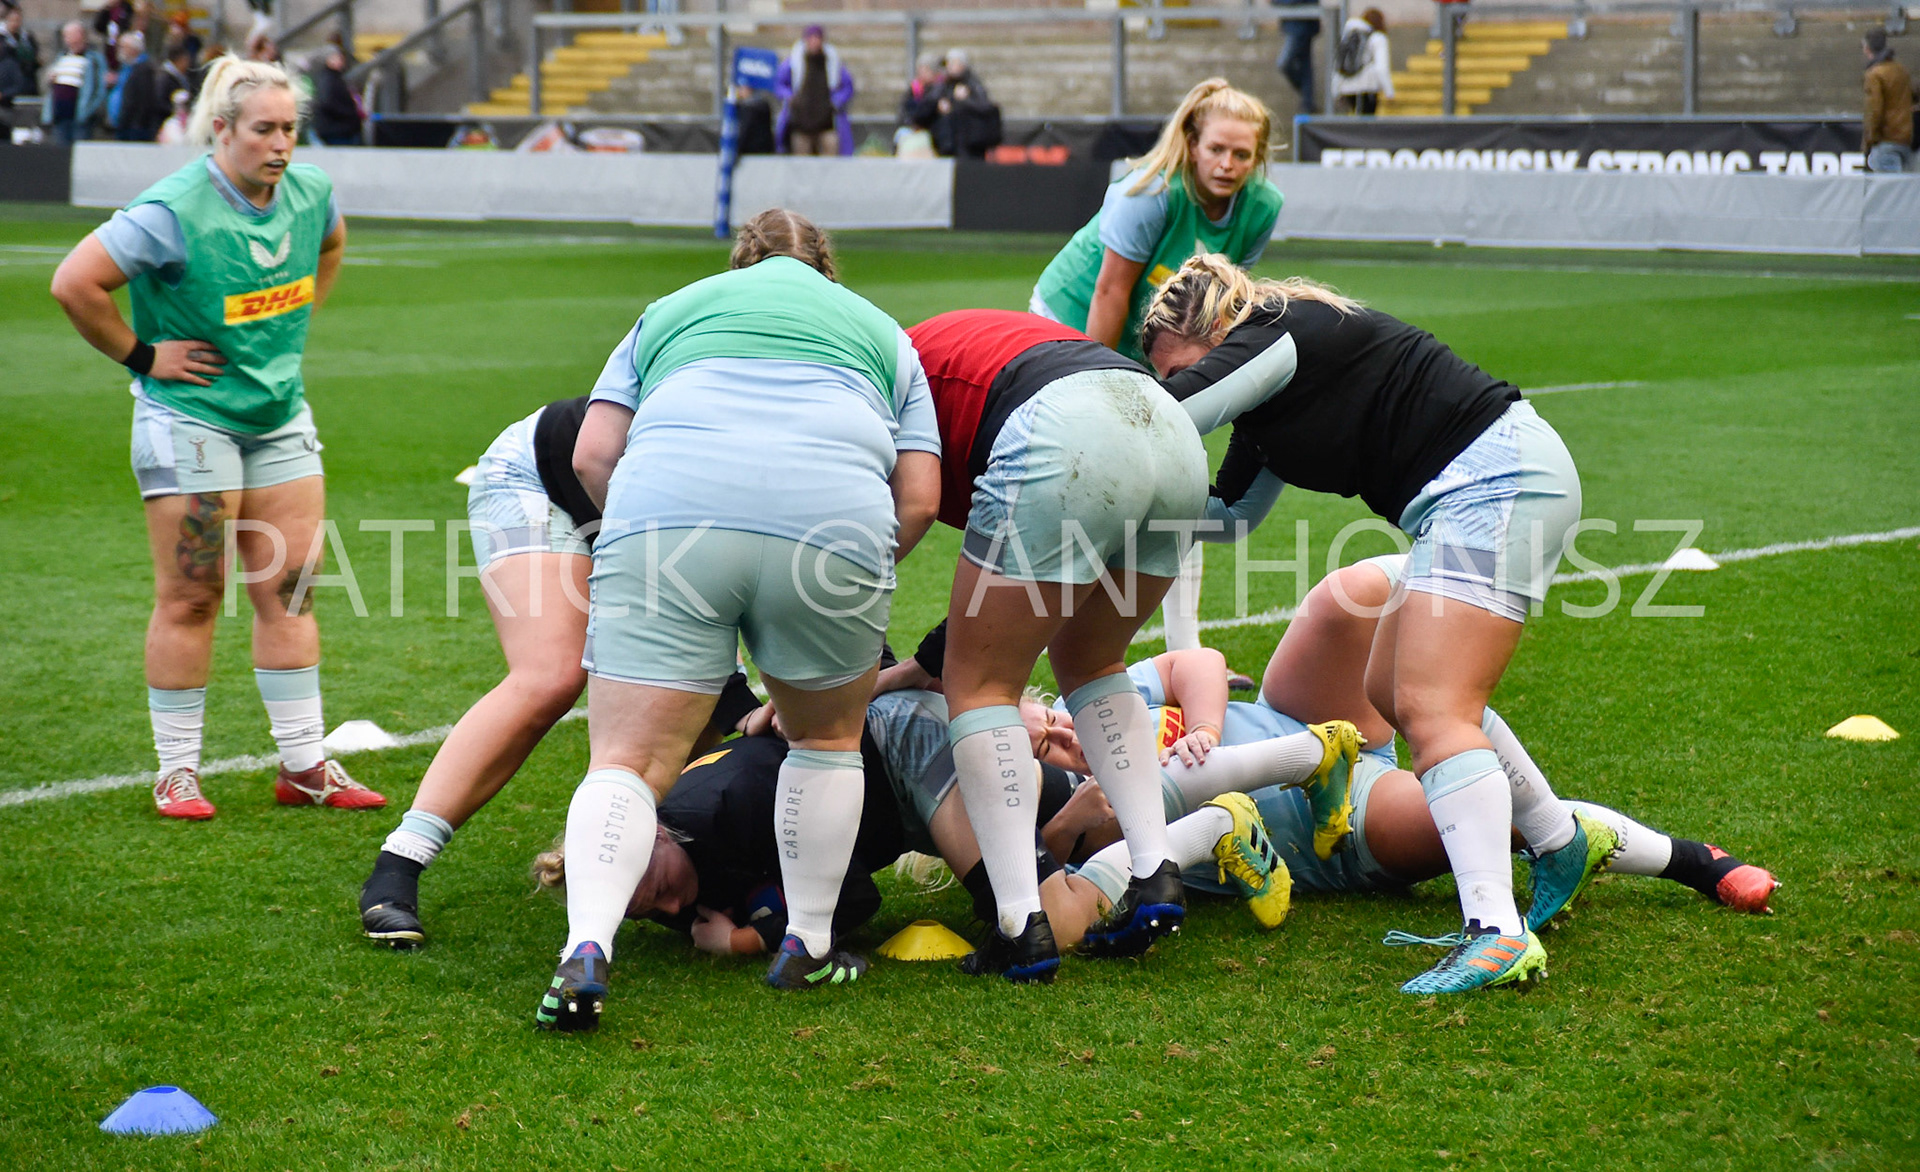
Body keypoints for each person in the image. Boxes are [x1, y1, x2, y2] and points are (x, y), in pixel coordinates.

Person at [537, 209, 941, 1030]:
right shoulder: (884, 334)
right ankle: (809, 948)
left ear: (738, 263)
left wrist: (656, 540)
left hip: (667, 514)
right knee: (826, 743)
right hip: (831, 526)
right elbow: (922, 496)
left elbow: (589, 457)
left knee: (625, 762)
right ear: (828, 271)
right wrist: (857, 571)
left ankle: (586, 949)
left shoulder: (672, 308)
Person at [1140, 255, 1585, 994]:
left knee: (1432, 708)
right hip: (1472, 489)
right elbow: (1228, 517)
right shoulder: (1265, 407)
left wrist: (1088, 419)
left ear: (1220, 334)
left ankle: (1497, 933)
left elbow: (1171, 415)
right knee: (1385, 686)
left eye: (1184, 367)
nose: (1178, 384)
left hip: (1495, 479)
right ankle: (1556, 841)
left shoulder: (1279, 329)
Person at [49, 56, 381, 821]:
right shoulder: (173, 209)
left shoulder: (312, 193)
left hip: (280, 417)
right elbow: (75, 282)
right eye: (263, 129)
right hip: (189, 421)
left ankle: (303, 766)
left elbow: (329, 248)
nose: (281, 145)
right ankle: (177, 772)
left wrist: (293, 324)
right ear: (221, 130)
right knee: (194, 593)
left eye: (290, 129)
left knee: (292, 589)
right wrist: (143, 355)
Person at [354, 395, 762, 948]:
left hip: (647, 508)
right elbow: (683, 591)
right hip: (544, 477)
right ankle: (400, 862)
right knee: (552, 674)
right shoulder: (719, 444)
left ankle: (671, 866)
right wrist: (747, 705)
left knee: (691, 704)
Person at [902, 307, 1235, 983]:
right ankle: (1153, 873)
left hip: (1063, 430)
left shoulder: (876, 379)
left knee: (982, 688)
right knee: (1092, 660)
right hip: (1166, 428)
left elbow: (915, 513)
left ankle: (1020, 927)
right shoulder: (934, 345)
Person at [527, 691, 1127, 959]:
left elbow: (854, 900)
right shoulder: (646, 874)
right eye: (648, 909)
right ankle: (1089, 816)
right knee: (1040, 869)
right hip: (893, 807)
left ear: (655, 831)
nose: (672, 906)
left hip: (909, 748)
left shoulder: (734, 808)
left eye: (658, 887)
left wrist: (743, 940)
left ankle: (1195, 808)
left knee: (1055, 924)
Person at [1030, 77, 1284, 662]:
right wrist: (1095, 386)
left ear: (1257, 158)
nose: (1227, 164)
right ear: (1193, 144)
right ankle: (1034, 630)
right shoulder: (1149, 194)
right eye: (1216, 149)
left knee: (1179, 475)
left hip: (1163, 338)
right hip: (1073, 320)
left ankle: (1183, 652)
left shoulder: (1261, 207)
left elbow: (1219, 300)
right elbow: (1110, 292)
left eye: (1241, 154)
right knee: (1083, 476)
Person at [772, 23, 852, 157]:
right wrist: (790, 98)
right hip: (801, 124)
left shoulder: (833, 62)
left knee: (831, 154)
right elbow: (779, 84)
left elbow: (847, 86)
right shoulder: (793, 62)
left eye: (817, 38)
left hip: (826, 122)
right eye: (811, 38)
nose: (814, 42)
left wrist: (836, 101)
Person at [41, 22, 109, 145]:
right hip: (60, 115)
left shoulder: (94, 59)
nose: (69, 40)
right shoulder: (61, 57)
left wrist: (88, 111)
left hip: (80, 116)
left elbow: (100, 88)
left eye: (72, 36)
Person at [929, 49, 999, 159]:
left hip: (970, 145)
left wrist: (965, 100)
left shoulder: (973, 84)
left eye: (952, 63)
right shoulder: (943, 85)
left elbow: (986, 108)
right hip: (947, 143)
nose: (948, 67)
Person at [1862, 29, 1914, 174]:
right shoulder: (1901, 70)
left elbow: (1875, 110)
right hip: (1904, 141)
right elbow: (1911, 96)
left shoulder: (1874, 75)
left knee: (1888, 192)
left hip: (1886, 141)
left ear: (1867, 49)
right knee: (1901, 191)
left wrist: (1870, 139)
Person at [1333, 8, 1392, 116]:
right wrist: (1389, 92)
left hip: (1346, 88)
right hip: (1367, 87)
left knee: (1355, 121)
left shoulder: (1348, 35)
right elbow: (1381, 68)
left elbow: (1338, 63)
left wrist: (1336, 90)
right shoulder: (1377, 38)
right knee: (1366, 123)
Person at [308, 46, 361, 146]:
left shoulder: (335, 77)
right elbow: (327, 101)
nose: (340, 60)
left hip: (339, 128)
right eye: (336, 57)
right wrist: (350, 113)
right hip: (336, 130)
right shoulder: (328, 79)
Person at [1275, 10, 1319, 115]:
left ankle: (1307, 96)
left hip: (1300, 26)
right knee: (1305, 63)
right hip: (1299, 24)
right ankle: (1307, 100)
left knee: (1285, 63)